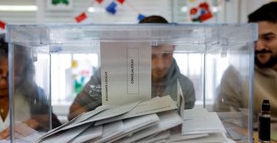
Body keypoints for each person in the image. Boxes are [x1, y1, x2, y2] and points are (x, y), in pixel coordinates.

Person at [68, 15, 196, 120]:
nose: (160, 65)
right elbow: (73, 113)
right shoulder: (109, 74)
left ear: (174, 47)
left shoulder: (185, 87)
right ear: (137, 51)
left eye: (166, 55)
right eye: (151, 56)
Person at [0, 34, 61, 139]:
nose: (3, 83)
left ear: (24, 73)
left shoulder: (34, 94)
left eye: (14, 74)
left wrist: (36, 123)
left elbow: (57, 128)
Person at [214, 2, 277, 121]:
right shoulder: (236, 72)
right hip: (254, 137)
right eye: (253, 39)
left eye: (267, 38)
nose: (258, 47)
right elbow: (225, 120)